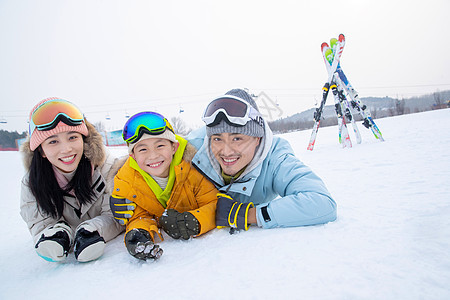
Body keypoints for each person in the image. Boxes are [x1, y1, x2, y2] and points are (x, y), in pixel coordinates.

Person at [111, 88, 337, 233]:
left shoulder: (276, 159)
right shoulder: (197, 146)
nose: (226, 151)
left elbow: (322, 204)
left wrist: (247, 214)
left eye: (237, 138)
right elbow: (152, 152)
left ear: (257, 138)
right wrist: (121, 190)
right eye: (218, 138)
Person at [20, 97, 124, 263]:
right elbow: (40, 224)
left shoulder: (107, 168)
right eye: (53, 141)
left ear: (84, 140)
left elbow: (115, 216)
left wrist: (92, 230)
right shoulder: (32, 183)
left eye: (72, 137)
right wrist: (58, 235)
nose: (66, 149)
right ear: (42, 151)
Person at [110, 111, 218, 261]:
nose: (153, 155)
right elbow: (140, 215)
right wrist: (139, 232)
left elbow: (213, 203)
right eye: (142, 149)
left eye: (160, 145)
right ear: (133, 155)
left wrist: (195, 220)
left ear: (174, 147)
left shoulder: (193, 168)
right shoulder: (128, 181)